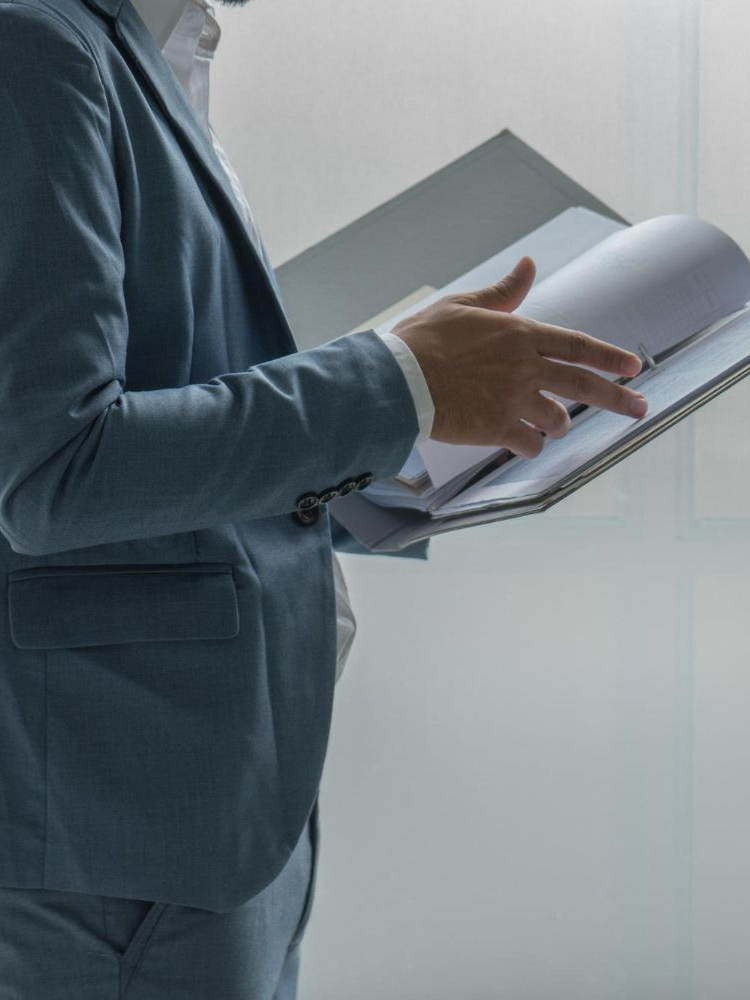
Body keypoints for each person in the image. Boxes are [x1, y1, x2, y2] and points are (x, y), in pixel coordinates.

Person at [0, 0, 648, 996]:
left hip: (227, 802)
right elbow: (52, 468)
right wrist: (396, 386)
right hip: (118, 838)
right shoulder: (34, 43)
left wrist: (406, 436)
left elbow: (172, 391)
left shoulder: (153, 46)